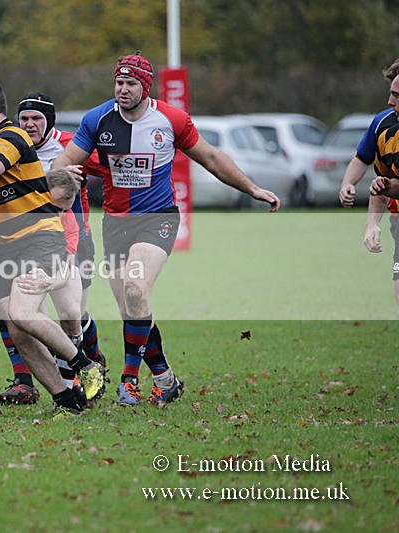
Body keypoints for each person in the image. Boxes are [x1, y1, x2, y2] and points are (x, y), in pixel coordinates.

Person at [52, 53, 280, 407]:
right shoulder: (97, 120)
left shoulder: (170, 119)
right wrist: (66, 174)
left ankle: (129, 381)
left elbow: (211, 157)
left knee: (135, 287)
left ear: (145, 86)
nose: (123, 90)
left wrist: (252, 188)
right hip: (115, 222)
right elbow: (63, 162)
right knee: (132, 306)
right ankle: (165, 378)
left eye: (130, 84)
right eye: (118, 83)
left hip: (158, 218)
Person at [0, 79, 107, 418]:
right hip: (5, 248)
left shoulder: (10, 137)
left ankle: (87, 365)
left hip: (43, 238)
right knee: (16, 326)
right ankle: (67, 401)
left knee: (56, 313)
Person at [359, 61, 399, 309]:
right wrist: (372, 225)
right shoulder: (387, 131)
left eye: (397, 96)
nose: (390, 102)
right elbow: (383, 184)